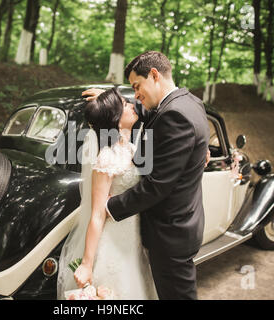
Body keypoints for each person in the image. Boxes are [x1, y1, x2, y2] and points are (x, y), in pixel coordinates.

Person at [81, 51, 210, 300]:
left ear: (154, 75)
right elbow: (154, 117)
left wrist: (110, 206)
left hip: (169, 234)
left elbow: (157, 186)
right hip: (180, 225)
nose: (136, 95)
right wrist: (110, 102)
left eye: (137, 87)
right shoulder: (190, 103)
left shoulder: (174, 116)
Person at [56, 87, 158, 300]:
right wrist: (86, 263)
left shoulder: (131, 149)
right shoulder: (107, 157)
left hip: (133, 240)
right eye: (125, 104)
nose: (132, 105)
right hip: (113, 242)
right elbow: (96, 214)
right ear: (116, 120)